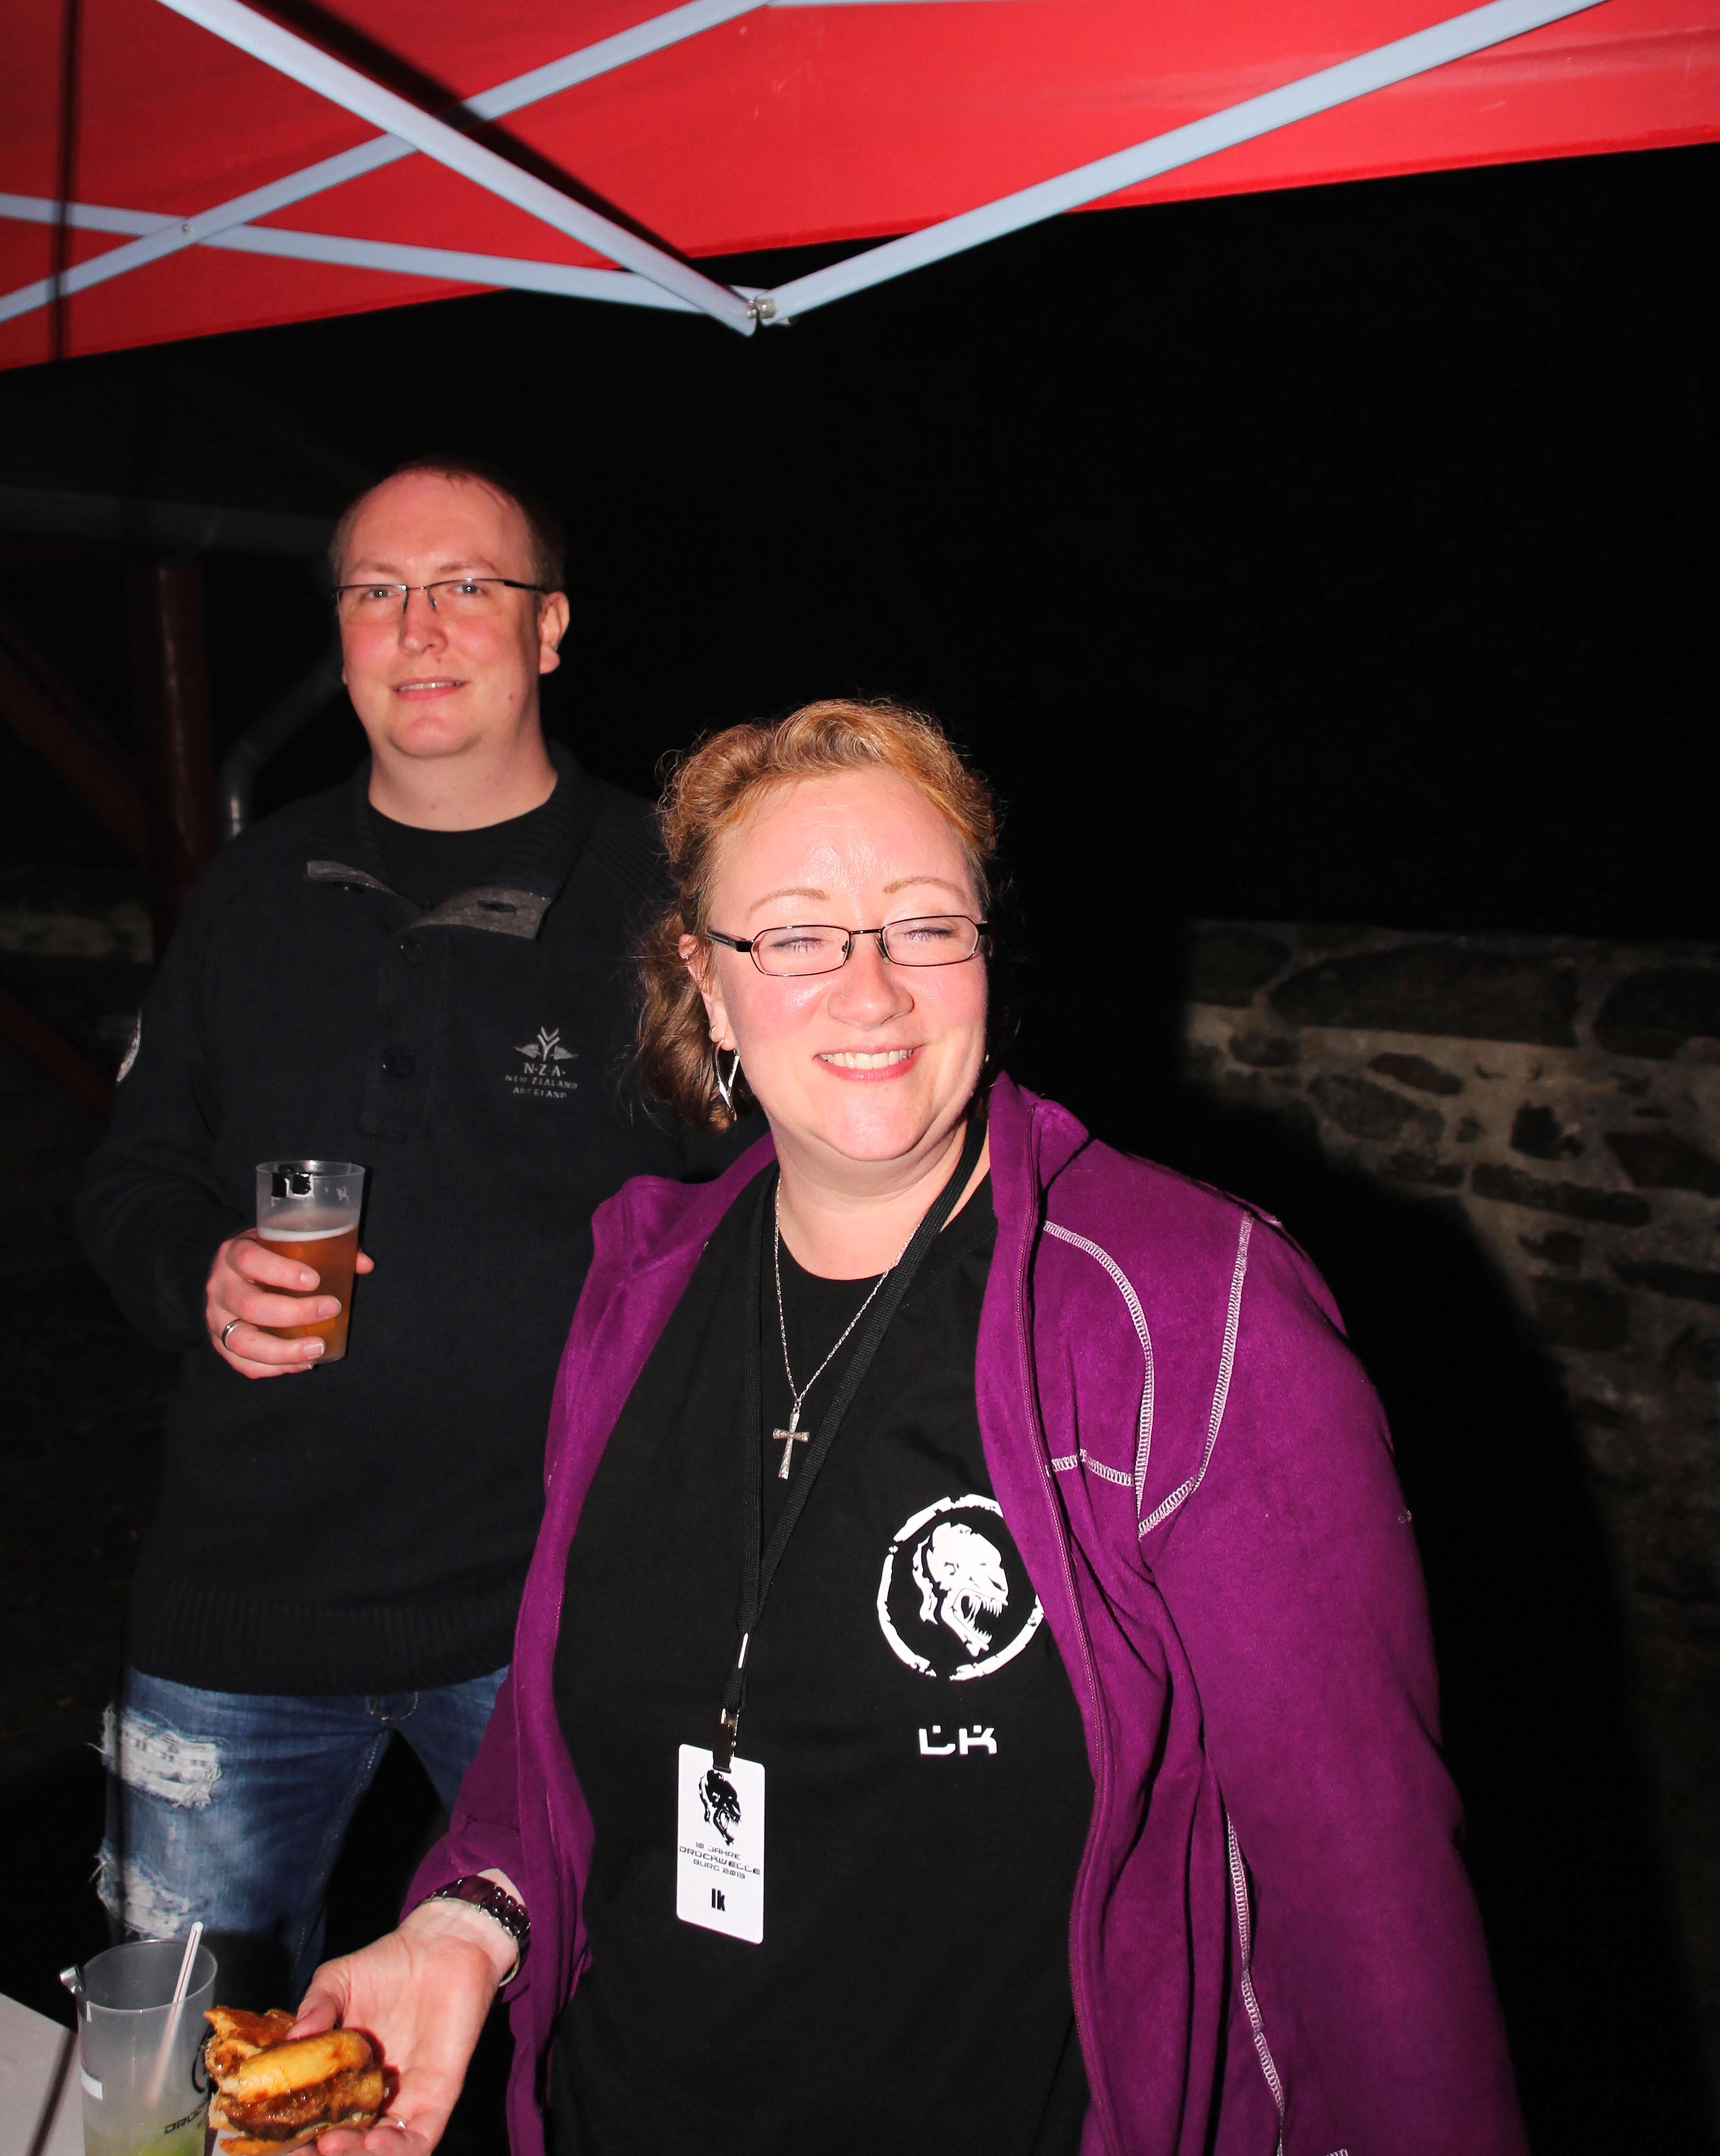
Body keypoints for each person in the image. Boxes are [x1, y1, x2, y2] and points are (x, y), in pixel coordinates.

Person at [297, 697, 1528, 2156]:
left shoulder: (1184, 1312)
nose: (871, 992)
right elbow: (559, 1730)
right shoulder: (638, 1290)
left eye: (924, 927)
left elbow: (1371, 1892)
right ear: (707, 984)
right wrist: (468, 1918)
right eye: (797, 937)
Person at [77, 456, 724, 1999]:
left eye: (466, 588)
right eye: (377, 591)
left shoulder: (669, 903)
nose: (418, 628)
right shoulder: (252, 887)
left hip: (555, 1618)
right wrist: (200, 1273)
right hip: (238, 1620)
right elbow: (130, 1182)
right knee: (189, 2070)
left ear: (550, 626)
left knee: (609, 2036)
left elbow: (769, 1214)